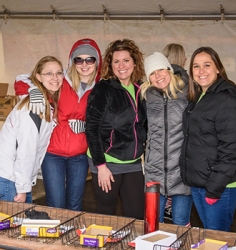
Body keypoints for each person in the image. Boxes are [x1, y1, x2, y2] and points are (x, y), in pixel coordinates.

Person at [14, 38, 102, 210]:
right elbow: (22, 79)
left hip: (79, 155)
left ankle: (72, 236)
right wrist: (32, 90)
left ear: (97, 62)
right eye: (79, 59)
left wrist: (86, 126)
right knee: (56, 204)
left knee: (75, 204)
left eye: (89, 59)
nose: (84, 64)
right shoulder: (62, 80)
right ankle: (55, 235)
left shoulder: (100, 87)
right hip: (53, 153)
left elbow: (103, 120)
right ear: (72, 61)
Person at [179, 46, 236, 231]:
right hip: (202, 180)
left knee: (216, 238)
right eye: (196, 66)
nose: (201, 71)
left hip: (220, 184)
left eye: (207, 65)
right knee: (211, 235)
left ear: (218, 68)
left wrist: (214, 188)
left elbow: (230, 149)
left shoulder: (227, 100)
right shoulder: (200, 97)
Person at [85, 39, 147, 220]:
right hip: (107, 161)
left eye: (126, 60)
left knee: (136, 216)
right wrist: (101, 166)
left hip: (134, 162)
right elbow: (92, 129)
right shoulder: (103, 90)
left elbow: (142, 125)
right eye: (116, 61)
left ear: (134, 63)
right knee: (107, 214)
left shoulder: (140, 89)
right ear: (110, 65)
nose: (121, 65)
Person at [0, 56, 63, 203]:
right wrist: (22, 189)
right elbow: (26, 151)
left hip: (11, 177)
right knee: (14, 224)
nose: (55, 77)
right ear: (38, 77)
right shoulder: (35, 108)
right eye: (49, 73)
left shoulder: (44, 103)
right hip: (10, 180)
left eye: (59, 73)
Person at [141, 52, 192, 226]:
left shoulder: (188, 91)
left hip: (182, 168)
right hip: (155, 168)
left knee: (180, 223)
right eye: (152, 73)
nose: (158, 76)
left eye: (161, 70)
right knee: (153, 223)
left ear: (169, 69)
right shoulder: (146, 96)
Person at [162, 43, 189, 222]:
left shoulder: (153, 87)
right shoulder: (190, 86)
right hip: (184, 155)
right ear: (182, 59)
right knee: (180, 223)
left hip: (159, 157)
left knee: (155, 221)